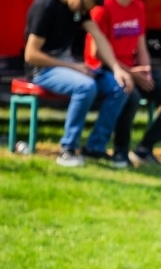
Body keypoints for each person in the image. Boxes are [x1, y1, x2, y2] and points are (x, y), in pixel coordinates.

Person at [23, 0, 133, 167]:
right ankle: (67, 149)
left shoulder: (80, 8)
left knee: (119, 86)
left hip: (69, 67)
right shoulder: (45, 7)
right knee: (85, 86)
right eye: (88, 5)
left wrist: (117, 69)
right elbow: (31, 55)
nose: (88, 10)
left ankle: (95, 148)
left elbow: (99, 37)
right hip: (42, 70)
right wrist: (73, 67)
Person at [85, 0, 161, 167]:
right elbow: (97, 53)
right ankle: (120, 152)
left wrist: (146, 71)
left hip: (133, 69)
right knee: (132, 96)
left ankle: (144, 149)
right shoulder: (102, 9)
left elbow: (141, 45)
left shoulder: (138, 6)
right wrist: (130, 73)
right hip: (107, 69)